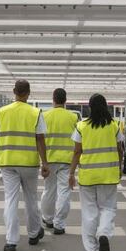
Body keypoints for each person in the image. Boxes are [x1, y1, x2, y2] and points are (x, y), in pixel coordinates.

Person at [0, 79, 50, 251]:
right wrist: (45, 163)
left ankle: (11, 241)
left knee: (10, 200)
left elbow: (0, 133)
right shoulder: (36, 113)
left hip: (7, 161)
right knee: (31, 199)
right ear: (28, 93)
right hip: (28, 162)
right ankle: (34, 233)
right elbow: (40, 139)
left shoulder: (1, 112)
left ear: (14, 91)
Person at [69, 93, 123, 251]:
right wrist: (119, 168)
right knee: (108, 208)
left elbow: (77, 152)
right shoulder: (114, 125)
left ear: (90, 107)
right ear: (106, 106)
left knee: (89, 211)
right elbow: (120, 149)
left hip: (88, 176)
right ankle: (104, 233)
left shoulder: (81, 126)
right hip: (108, 175)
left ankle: (92, 248)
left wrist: (71, 173)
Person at [40, 88, 78, 235]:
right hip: (67, 161)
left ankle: (48, 219)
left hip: (49, 159)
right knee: (64, 192)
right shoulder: (73, 117)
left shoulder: (44, 115)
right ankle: (59, 224)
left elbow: (40, 138)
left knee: (49, 190)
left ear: (53, 99)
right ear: (65, 100)